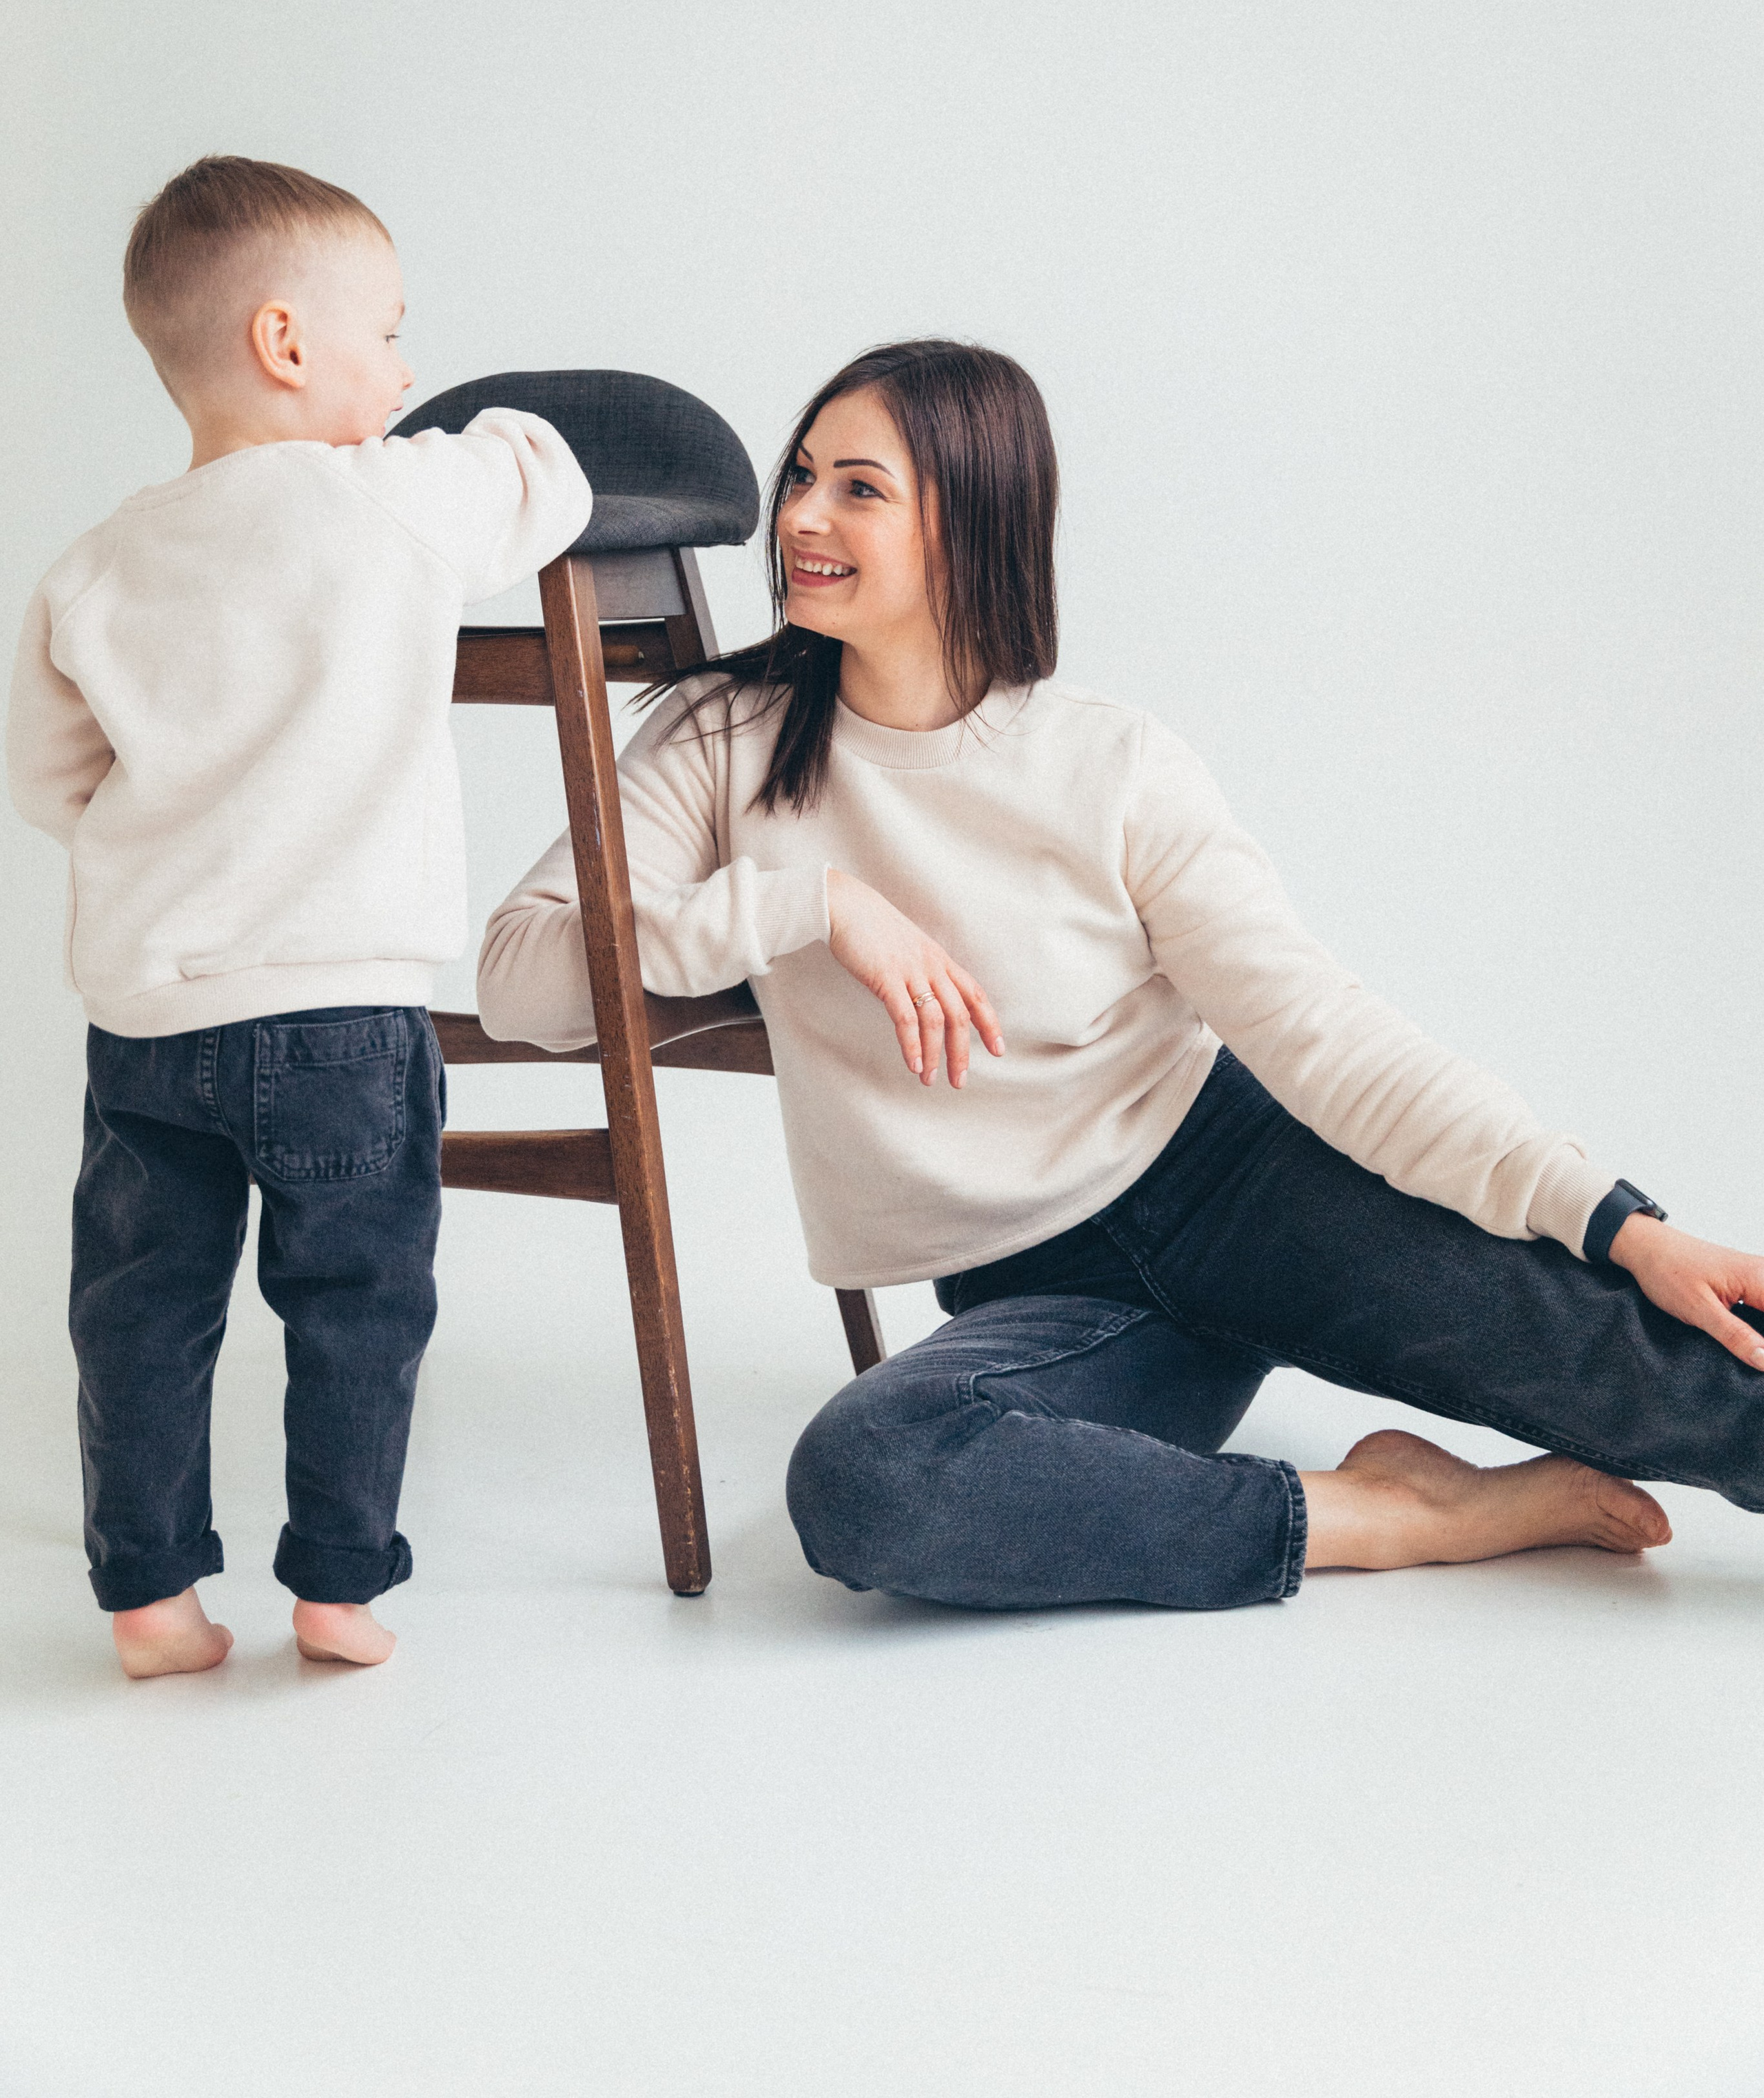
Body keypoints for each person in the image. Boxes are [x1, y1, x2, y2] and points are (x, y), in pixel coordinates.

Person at [478, 338, 1764, 1613]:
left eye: (859, 488)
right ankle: (1391, 1513)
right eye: (802, 474)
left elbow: (1327, 1037)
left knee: (1669, 1371)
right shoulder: (721, 740)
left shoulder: (1109, 764)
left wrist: (1625, 1223)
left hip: (1239, 1184)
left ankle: (1448, 1457)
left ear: (971, 523)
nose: (801, 516)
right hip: (1034, 1291)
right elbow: (518, 985)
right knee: (871, 1481)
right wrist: (807, 907)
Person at [6, 156, 591, 1675]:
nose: (403, 373)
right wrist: (493, 418)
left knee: (139, 1314)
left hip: (149, 1020)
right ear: (286, 345)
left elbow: (48, 774)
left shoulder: (96, 563)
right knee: (356, 1303)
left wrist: (177, 841)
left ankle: (148, 1604)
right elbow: (543, 470)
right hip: (339, 1013)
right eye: (388, 334)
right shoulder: (390, 499)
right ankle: (336, 1591)